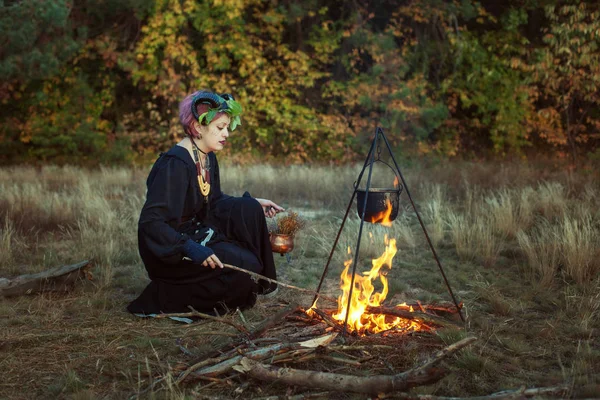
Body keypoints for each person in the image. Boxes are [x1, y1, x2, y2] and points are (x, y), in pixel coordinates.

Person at [127, 90, 284, 316]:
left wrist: (253, 204)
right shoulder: (175, 165)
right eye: (220, 128)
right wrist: (190, 247)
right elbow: (151, 223)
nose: (227, 134)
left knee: (250, 260)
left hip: (197, 234)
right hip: (173, 250)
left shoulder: (207, 156)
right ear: (198, 127)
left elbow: (214, 202)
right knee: (243, 273)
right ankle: (166, 295)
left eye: (227, 127)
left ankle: (233, 285)